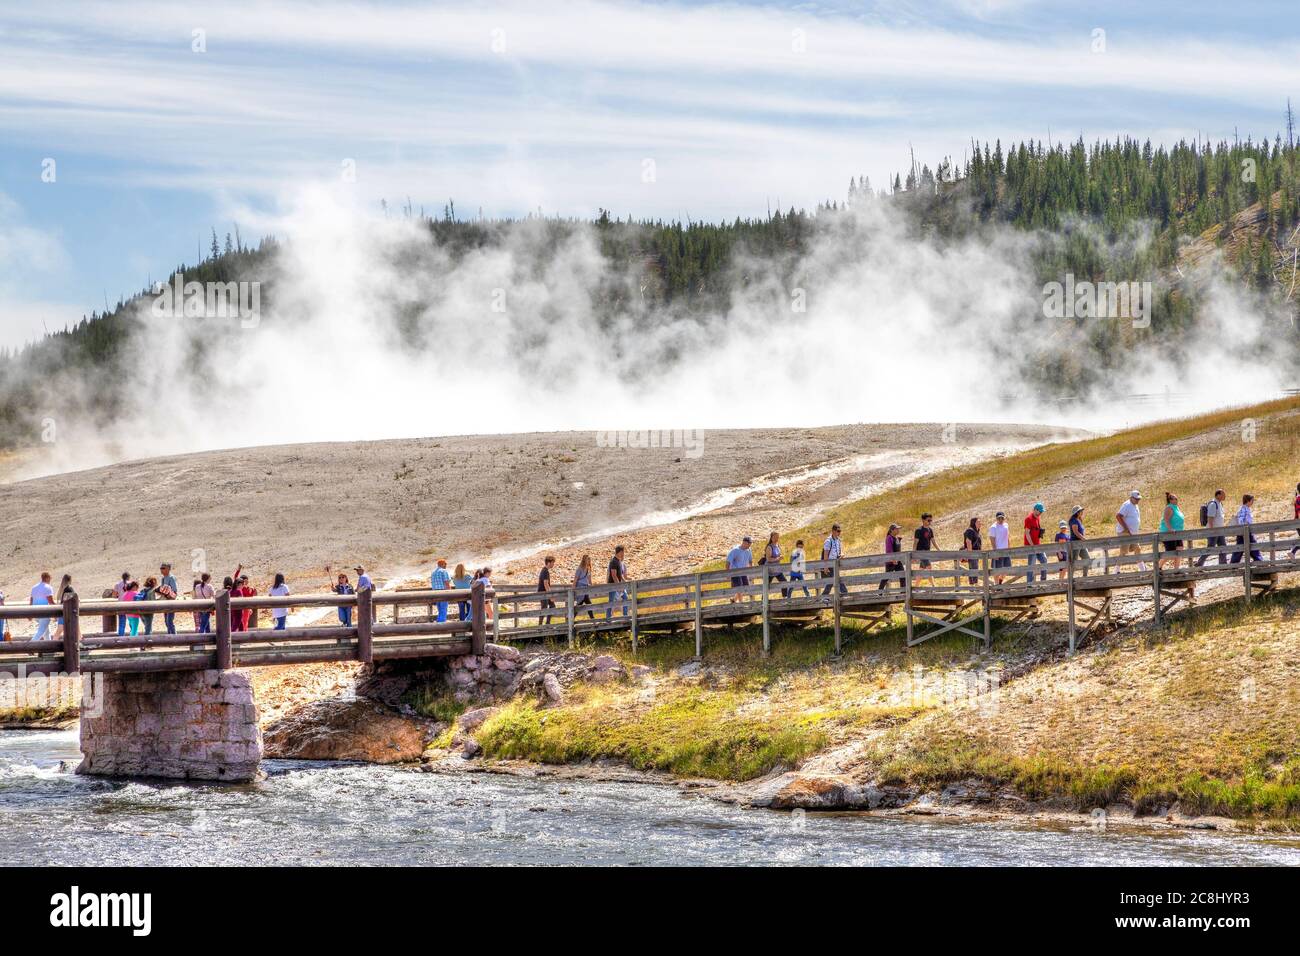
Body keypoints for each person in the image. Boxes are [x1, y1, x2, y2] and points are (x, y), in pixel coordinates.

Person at [1115, 490, 1147, 572]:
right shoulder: (1127, 505)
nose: (1137, 500)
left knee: (1137, 549)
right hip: (1125, 533)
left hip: (1133, 533)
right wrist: (1126, 528)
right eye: (1136, 499)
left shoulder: (1135, 505)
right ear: (1131, 498)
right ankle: (1116, 571)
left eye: (1138, 499)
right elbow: (1118, 516)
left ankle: (1143, 569)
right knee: (1123, 552)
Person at [1230, 494, 1264, 564]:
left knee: (1241, 547)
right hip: (1245, 531)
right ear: (1248, 501)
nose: (1253, 502)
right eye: (1252, 500)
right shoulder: (1243, 508)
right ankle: (1259, 560)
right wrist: (1244, 531)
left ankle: (1234, 562)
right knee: (1250, 545)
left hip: (1246, 531)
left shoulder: (1247, 508)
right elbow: (1241, 520)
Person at [1198, 489, 1228, 567]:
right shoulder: (1213, 504)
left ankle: (1223, 565)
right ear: (1218, 495)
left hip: (1219, 530)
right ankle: (1199, 563)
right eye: (1223, 494)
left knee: (1223, 547)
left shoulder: (1220, 504)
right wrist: (1211, 530)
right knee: (1211, 548)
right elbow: (1210, 518)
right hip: (1213, 530)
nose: (1225, 496)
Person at [1158, 492, 1186, 571]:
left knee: (1180, 550)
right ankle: (1158, 567)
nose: (1177, 500)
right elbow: (1166, 520)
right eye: (1175, 498)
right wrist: (1170, 529)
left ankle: (1176, 570)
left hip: (1177, 533)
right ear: (1170, 500)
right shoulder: (1169, 508)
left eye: (1177, 498)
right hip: (1169, 533)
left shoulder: (1176, 508)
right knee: (1170, 553)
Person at [1023, 502, 1047, 583]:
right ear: (1035, 510)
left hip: (1037, 544)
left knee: (1044, 560)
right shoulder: (1028, 519)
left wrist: (1040, 532)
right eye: (1040, 511)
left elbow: (1035, 529)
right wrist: (1032, 546)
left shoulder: (1037, 518)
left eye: (1041, 512)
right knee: (1031, 564)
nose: (1041, 513)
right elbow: (1027, 533)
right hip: (1030, 545)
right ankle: (1030, 584)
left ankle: (1043, 581)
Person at [821, 523, 847, 594]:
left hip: (835, 564)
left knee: (831, 581)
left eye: (840, 531)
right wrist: (825, 566)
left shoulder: (838, 540)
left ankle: (824, 596)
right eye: (837, 531)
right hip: (830, 564)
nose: (839, 533)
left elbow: (839, 552)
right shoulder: (828, 541)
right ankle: (845, 593)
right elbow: (825, 554)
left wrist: (841, 555)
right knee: (837, 579)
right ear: (833, 531)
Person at [726, 536, 753, 602]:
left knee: (745, 588)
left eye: (750, 544)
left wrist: (751, 570)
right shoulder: (735, 550)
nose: (750, 545)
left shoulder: (748, 550)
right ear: (744, 542)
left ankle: (734, 600)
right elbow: (728, 562)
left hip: (744, 572)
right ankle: (741, 603)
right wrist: (728, 573)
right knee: (740, 588)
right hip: (735, 572)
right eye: (749, 543)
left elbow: (750, 561)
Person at [988, 511, 1012, 584]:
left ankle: (1000, 581)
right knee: (997, 570)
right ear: (996, 518)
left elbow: (1007, 537)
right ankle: (996, 585)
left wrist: (1009, 547)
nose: (1001, 520)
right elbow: (992, 539)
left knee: (1007, 569)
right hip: (998, 551)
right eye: (999, 518)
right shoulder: (993, 527)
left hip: (1006, 550)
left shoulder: (1006, 525)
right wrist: (995, 552)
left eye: (1002, 518)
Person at [30, 572, 54, 641]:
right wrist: (56, 613)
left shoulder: (34, 587)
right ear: (47, 578)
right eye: (50, 578)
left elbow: (31, 601)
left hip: (35, 612)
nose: (50, 580)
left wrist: (30, 614)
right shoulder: (48, 587)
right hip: (44, 612)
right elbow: (51, 601)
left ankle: (48, 649)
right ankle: (30, 647)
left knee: (46, 631)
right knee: (41, 631)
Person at [605, 546, 628, 619]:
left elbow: (620, 575)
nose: (624, 554)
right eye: (623, 552)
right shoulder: (613, 561)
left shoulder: (619, 561)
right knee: (611, 601)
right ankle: (608, 619)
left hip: (618, 585)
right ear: (620, 552)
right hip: (613, 586)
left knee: (625, 598)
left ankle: (625, 616)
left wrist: (625, 582)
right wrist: (619, 587)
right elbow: (614, 575)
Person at [764, 532, 788, 598]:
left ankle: (785, 598)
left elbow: (778, 555)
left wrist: (780, 556)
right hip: (770, 570)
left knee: (784, 582)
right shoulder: (769, 547)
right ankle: (763, 600)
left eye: (777, 537)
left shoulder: (777, 545)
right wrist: (778, 558)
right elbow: (768, 559)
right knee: (766, 585)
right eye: (774, 537)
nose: (776, 539)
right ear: (771, 538)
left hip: (777, 569)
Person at [912, 514, 936, 582]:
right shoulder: (918, 530)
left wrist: (939, 550)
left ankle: (916, 587)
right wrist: (914, 554)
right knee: (929, 568)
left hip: (927, 552)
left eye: (931, 520)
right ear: (923, 520)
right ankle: (933, 587)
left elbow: (933, 541)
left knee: (921, 570)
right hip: (921, 553)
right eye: (928, 520)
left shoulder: (930, 530)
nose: (930, 522)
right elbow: (915, 543)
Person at [880, 524, 903, 590]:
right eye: (896, 529)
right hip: (891, 561)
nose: (898, 530)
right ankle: (879, 592)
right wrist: (892, 560)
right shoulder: (889, 538)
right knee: (886, 577)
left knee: (903, 575)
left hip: (897, 561)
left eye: (898, 529)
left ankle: (903, 591)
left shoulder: (896, 538)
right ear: (892, 530)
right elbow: (889, 550)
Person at [158, 563, 179, 634]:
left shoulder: (171, 578)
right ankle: (171, 638)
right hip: (165, 602)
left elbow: (175, 591)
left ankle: (174, 638)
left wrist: (167, 594)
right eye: (161, 568)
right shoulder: (163, 579)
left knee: (169, 621)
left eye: (163, 568)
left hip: (171, 602)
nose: (161, 570)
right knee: (166, 622)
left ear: (168, 569)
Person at [1068, 506, 1091, 572]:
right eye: (1080, 511)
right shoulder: (1074, 520)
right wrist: (1083, 538)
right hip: (1075, 543)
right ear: (1077, 513)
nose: (1082, 512)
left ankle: (1084, 577)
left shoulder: (1079, 520)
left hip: (1080, 543)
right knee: (1074, 561)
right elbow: (1076, 532)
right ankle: (1071, 579)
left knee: (1086, 558)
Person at [430, 558, 452, 623]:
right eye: (445, 564)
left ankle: (439, 621)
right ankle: (441, 623)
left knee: (439, 608)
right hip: (443, 591)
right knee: (443, 608)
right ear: (442, 564)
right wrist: (450, 592)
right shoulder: (444, 571)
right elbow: (446, 582)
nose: (446, 565)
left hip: (435, 592)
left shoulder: (433, 572)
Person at [961, 518, 982, 585]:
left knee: (973, 568)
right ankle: (975, 585)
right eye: (978, 522)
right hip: (973, 553)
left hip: (976, 553)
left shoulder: (976, 531)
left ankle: (972, 586)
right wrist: (970, 554)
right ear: (974, 523)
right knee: (974, 569)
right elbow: (968, 542)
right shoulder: (970, 530)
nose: (980, 523)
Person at [53, 574, 74, 640]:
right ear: (69, 580)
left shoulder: (61, 590)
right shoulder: (69, 588)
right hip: (68, 611)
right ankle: (52, 645)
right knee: (59, 631)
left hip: (62, 612)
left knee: (69, 631)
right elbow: (74, 597)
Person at [573, 555, 595, 619]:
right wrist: (573, 589)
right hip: (580, 588)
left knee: (582, 604)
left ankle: (571, 618)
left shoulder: (588, 569)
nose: (589, 561)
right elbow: (575, 579)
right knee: (586, 603)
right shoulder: (579, 569)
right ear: (584, 560)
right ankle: (592, 619)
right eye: (588, 559)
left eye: (589, 560)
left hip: (585, 588)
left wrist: (592, 587)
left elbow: (589, 580)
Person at [538, 556, 556, 624]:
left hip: (545, 593)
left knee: (552, 606)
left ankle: (547, 623)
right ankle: (540, 625)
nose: (553, 564)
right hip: (543, 593)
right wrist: (550, 596)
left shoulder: (545, 570)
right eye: (552, 563)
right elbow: (546, 584)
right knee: (544, 608)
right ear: (548, 563)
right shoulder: (545, 571)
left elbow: (546, 584)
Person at [113, 572, 131, 636]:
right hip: (130, 604)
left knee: (121, 622)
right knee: (132, 621)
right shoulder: (131, 584)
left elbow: (114, 595)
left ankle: (121, 636)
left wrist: (119, 595)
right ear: (129, 577)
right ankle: (133, 635)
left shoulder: (117, 584)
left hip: (120, 604)